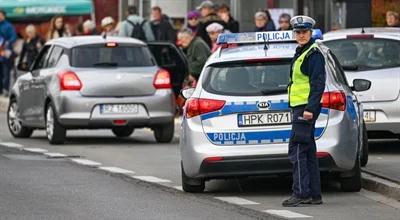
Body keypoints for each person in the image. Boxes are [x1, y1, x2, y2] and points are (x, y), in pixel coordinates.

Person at [283, 15, 326, 207]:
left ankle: (301, 193)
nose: (301, 35)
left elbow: (318, 83)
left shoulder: (313, 54)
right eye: (298, 32)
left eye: (304, 32)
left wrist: (310, 108)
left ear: (311, 33)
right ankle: (314, 194)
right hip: (301, 107)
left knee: (297, 150)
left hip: (305, 109)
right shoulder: (302, 51)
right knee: (307, 151)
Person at [0, 10, 17, 96]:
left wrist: (7, 42)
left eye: (0, 15)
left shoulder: (9, 26)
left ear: (4, 16)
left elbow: (13, 37)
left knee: (6, 73)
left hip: (5, 52)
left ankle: (5, 90)